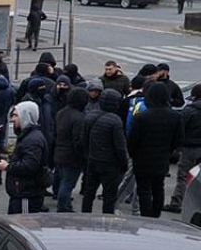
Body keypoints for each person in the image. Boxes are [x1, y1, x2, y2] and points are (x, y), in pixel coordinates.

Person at [128, 83, 184, 218]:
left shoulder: (143, 116)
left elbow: (132, 140)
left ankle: (146, 215)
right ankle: (156, 215)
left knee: (144, 189)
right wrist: (168, 150)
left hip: (142, 158)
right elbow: (179, 139)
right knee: (159, 187)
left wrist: (133, 154)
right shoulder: (175, 116)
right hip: (162, 157)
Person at [0, 102, 48, 214]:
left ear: (26, 116)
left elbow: (29, 166)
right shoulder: (27, 136)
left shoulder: (32, 140)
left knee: (22, 225)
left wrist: (7, 166)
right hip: (22, 192)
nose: (12, 119)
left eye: (16, 115)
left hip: (26, 194)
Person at [81, 90, 129, 214]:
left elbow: (83, 139)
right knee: (109, 196)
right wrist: (124, 163)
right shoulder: (115, 121)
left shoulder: (89, 116)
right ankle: (107, 220)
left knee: (89, 192)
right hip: (110, 164)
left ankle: (85, 216)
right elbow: (120, 146)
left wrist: (88, 155)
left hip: (93, 160)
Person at [165, 84, 201, 212]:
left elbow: (180, 129)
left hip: (189, 148)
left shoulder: (189, 110)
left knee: (184, 177)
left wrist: (175, 146)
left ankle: (177, 203)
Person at [54, 88, 89, 212]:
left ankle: (65, 205)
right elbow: (78, 141)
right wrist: (84, 156)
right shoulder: (79, 118)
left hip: (59, 152)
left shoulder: (61, 113)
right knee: (68, 184)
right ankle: (63, 207)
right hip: (72, 157)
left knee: (63, 181)